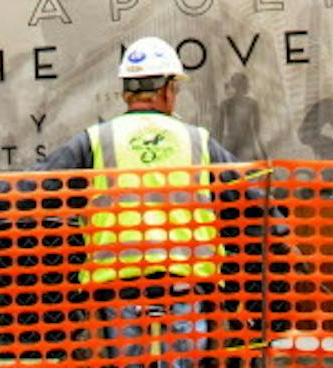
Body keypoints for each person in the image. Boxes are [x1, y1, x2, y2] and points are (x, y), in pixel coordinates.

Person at [35, 37, 256, 368]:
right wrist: (285, 238)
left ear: (127, 92)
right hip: (186, 285)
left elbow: (33, 187)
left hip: (119, 288)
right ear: (168, 90)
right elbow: (250, 193)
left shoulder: (96, 140)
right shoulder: (198, 140)